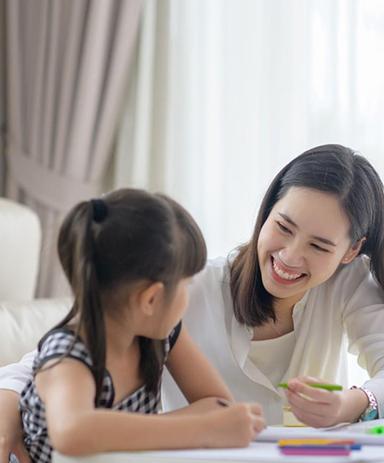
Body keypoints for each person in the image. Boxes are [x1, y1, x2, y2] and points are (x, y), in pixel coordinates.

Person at [0, 144, 384, 459]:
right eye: (283, 226)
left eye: (319, 246)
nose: (291, 256)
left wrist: (350, 404)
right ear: (267, 211)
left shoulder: (347, 284)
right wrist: (6, 408)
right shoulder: (188, 288)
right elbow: (42, 366)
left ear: (350, 252)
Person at [1, 189, 264, 463]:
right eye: (186, 285)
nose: (188, 296)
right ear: (151, 299)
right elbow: (72, 432)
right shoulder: (69, 354)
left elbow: (218, 404)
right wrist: (202, 429)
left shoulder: (162, 335)